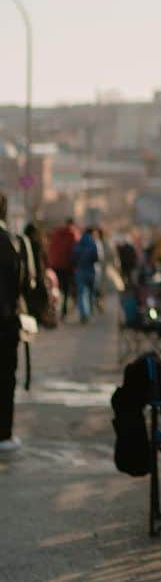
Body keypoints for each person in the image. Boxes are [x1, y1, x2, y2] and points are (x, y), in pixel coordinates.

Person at [0, 193, 31, 452]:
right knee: (5, 378)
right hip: (5, 322)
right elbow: (22, 284)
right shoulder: (12, 243)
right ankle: (4, 433)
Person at [46, 216, 79, 320]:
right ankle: (63, 310)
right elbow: (76, 251)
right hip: (67, 266)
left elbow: (51, 248)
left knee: (57, 288)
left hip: (55, 265)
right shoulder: (73, 234)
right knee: (66, 289)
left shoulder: (57, 233)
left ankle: (56, 309)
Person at [72, 227, 101, 324]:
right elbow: (96, 258)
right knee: (90, 293)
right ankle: (88, 313)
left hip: (80, 271)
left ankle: (83, 314)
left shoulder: (78, 243)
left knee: (81, 294)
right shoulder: (93, 244)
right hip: (90, 271)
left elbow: (73, 258)